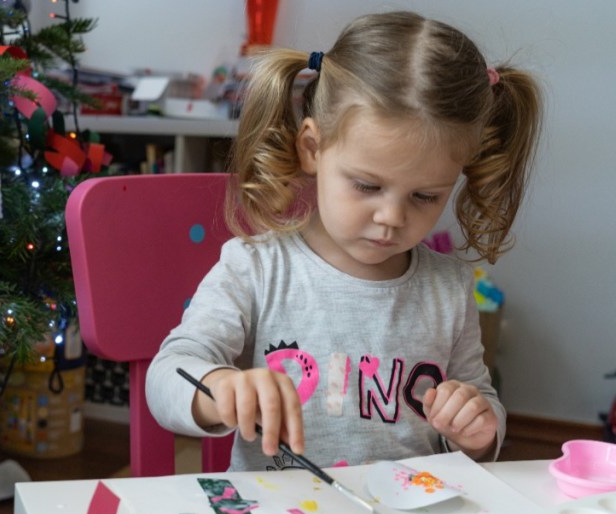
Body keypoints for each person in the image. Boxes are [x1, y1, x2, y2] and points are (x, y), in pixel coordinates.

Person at [145, 11, 541, 472]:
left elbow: (484, 408)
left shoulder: (449, 289)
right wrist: (217, 388)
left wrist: (477, 428)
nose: (391, 217)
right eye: (367, 186)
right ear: (313, 149)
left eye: (425, 196)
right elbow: (167, 375)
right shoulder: (256, 268)